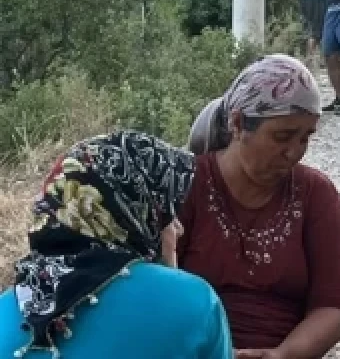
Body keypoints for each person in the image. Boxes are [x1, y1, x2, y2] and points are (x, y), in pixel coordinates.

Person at [0, 131, 233, 359]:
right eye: (169, 214)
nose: (178, 228)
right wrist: (171, 272)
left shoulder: (6, 310)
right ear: (136, 211)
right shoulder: (193, 302)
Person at [183, 55, 340, 358]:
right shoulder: (186, 185)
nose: (294, 153)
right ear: (237, 123)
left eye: (305, 138)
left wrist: (283, 354)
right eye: (282, 136)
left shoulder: (316, 195)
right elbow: (157, 291)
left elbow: (332, 306)